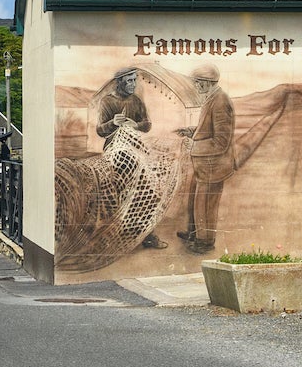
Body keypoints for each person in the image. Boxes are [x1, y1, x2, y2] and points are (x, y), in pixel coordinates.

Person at [97, 69, 164, 249]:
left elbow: (147, 124)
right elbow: (100, 131)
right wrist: (113, 123)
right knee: (118, 195)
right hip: (117, 156)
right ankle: (118, 238)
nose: (133, 84)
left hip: (137, 153)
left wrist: (136, 124)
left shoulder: (136, 101)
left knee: (146, 193)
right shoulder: (107, 102)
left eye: (135, 80)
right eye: (129, 81)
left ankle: (147, 236)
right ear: (119, 82)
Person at [174, 62, 234, 253]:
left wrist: (195, 144)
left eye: (198, 83)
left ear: (207, 82)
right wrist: (191, 132)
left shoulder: (220, 101)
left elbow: (221, 141)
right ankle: (193, 233)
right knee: (194, 199)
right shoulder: (212, 97)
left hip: (213, 165)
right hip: (204, 163)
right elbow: (207, 130)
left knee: (205, 204)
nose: (196, 86)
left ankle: (205, 241)